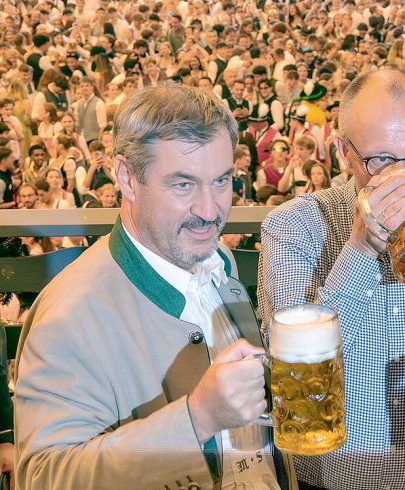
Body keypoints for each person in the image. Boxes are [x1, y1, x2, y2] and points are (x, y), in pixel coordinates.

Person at [15, 85, 297, 490]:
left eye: (221, 181)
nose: (209, 210)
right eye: (182, 185)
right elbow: (44, 477)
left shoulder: (219, 262)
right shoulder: (69, 315)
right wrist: (196, 418)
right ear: (127, 177)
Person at [258, 69, 405, 490]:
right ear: (343, 153)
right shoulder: (292, 227)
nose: (400, 177)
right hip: (329, 477)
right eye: (380, 159)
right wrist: (360, 250)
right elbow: (292, 366)